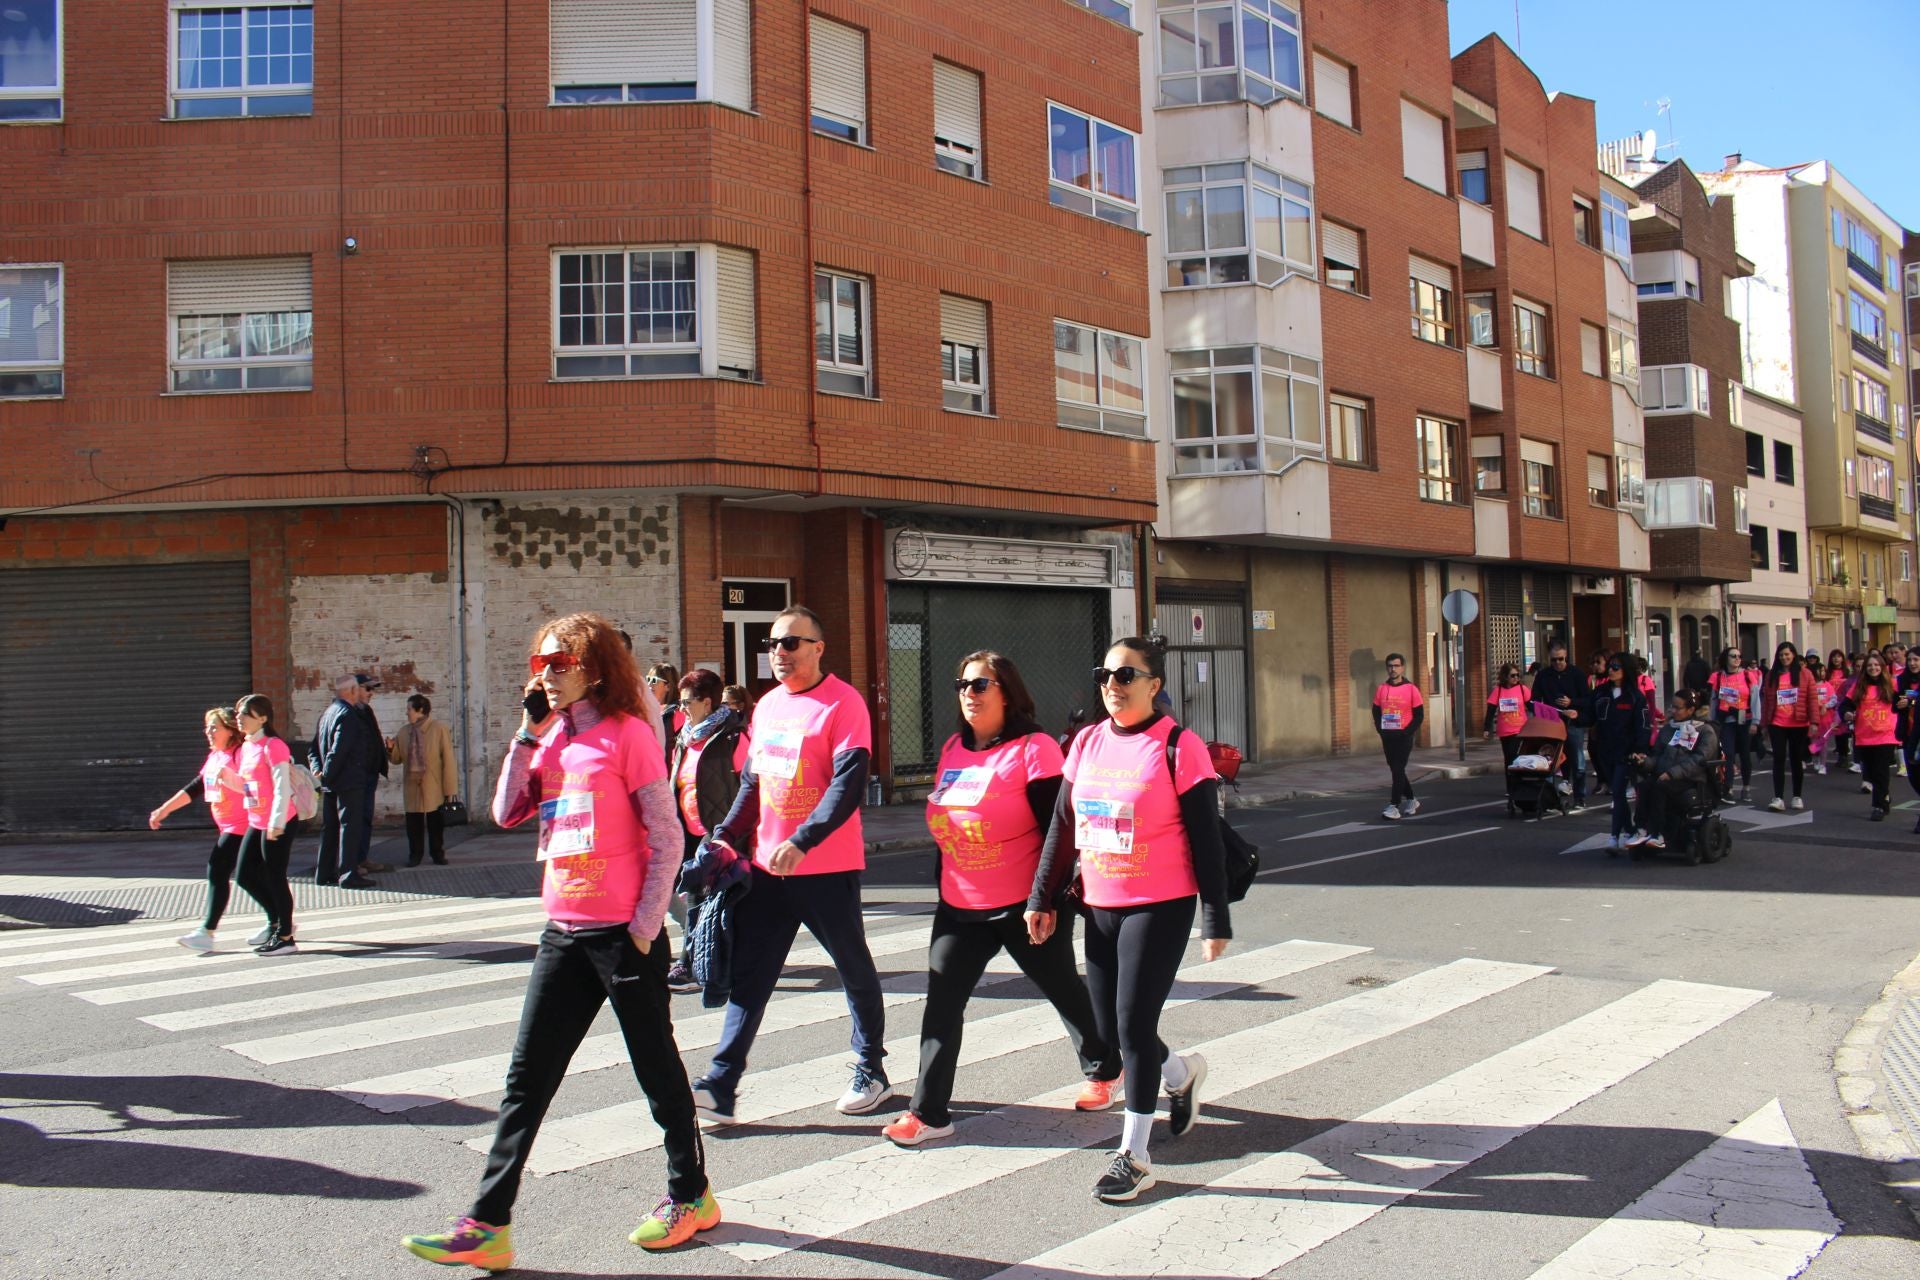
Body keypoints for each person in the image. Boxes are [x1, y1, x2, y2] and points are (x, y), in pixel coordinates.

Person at [403, 612, 714, 1270]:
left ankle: (691, 1196)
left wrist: (644, 927)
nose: (544, 673)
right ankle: (488, 1223)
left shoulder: (628, 734)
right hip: (564, 932)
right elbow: (506, 812)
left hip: (620, 934)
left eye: (558, 662)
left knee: (655, 1069)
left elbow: (667, 837)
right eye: (539, 662)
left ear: (593, 669)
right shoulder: (551, 740)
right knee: (526, 1079)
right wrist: (526, 733)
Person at [883, 651, 1119, 1148]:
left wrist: (1045, 899)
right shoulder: (953, 747)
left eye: (980, 684)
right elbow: (946, 817)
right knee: (942, 1005)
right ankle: (928, 1113)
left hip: (1022, 904)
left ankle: (1105, 1067)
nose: (969, 692)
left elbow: (1061, 830)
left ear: (1006, 692)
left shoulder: (1034, 749)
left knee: (1062, 988)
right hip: (960, 905)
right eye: (962, 684)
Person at [1028, 635, 1230, 1204]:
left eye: (1126, 676)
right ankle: (1180, 1073)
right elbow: (1062, 827)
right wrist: (1039, 897)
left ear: (1154, 686)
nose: (1112, 685)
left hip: (1158, 903)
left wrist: (1214, 916)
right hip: (1099, 902)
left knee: (1135, 1026)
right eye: (1105, 675)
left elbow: (1205, 838)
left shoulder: (1177, 745)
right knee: (1114, 1028)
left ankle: (1135, 1155)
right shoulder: (1087, 741)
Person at [692, 605, 888, 1123]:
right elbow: (754, 784)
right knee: (752, 973)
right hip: (768, 869)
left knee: (853, 968)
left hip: (826, 866)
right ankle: (722, 1082)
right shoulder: (769, 707)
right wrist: (726, 836)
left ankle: (871, 1068)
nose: (778, 652)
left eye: (791, 642)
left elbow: (847, 784)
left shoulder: (843, 704)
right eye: (772, 643)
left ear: (818, 648)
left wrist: (804, 840)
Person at [667, 668, 748, 994]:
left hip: (715, 831)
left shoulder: (733, 738)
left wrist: (732, 832)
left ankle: (689, 963)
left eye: (688, 701)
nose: (682, 707)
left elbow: (750, 785)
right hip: (685, 828)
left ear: (707, 702)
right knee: (691, 894)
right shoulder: (686, 737)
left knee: (701, 898)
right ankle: (716, 957)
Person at [150, 708, 252, 951]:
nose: (208, 731)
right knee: (255, 879)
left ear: (230, 730)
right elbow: (195, 788)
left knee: (218, 871)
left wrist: (230, 778)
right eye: (207, 727)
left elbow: (253, 787)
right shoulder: (216, 756)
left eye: (214, 727)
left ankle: (207, 931)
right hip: (227, 825)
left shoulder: (240, 754)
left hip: (244, 825)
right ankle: (282, 922)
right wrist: (164, 809)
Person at [233, 694, 299, 956]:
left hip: (278, 820)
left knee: (275, 877)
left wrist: (277, 822)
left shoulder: (274, 746)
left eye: (245, 714)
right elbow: (248, 785)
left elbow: (282, 787)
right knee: (244, 875)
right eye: (238, 712)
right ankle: (276, 921)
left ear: (262, 718)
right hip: (258, 819)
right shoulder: (247, 746)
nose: (239, 718)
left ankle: (286, 937)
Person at [1624, 689, 1721, 851]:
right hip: (1664, 776)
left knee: (1659, 787)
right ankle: (1641, 829)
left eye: (1678, 708)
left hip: (1690, 780)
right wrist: (1644, 761)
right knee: (1644, 785)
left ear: (1690, 710)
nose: (1673, 711)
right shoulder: (1669, 729)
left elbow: (1699, 760)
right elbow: (1657, 757)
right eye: (1672, 707)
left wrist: (1672, 773)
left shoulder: (1705, 731)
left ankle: (1659, 833)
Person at [310, 673, 378, 889]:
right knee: (349, 826)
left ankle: (324, 872)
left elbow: (314, 748)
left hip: (331, 781)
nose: (361, 692)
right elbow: (339, 749)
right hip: (348, 779)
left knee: (329, 828)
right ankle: (348, 874)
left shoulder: (328, 712)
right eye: (358, 689)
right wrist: (327, 772)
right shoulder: (347, 714)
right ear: (350, 691)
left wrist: (318, 771)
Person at [386, 694, 459, 867]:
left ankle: (437, 853)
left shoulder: (438, 729)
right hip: (412, 785)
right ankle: (415, 854)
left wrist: (450, 789)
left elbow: (448, 760)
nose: (407, 713)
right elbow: (397, 759)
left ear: (420, 710)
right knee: (413, 824)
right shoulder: (404, 731)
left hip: (433, 785)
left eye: (409, 709)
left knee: (436, 823)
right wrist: (390, 749)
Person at [1590, 654, 1652, 852]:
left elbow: (1643, 725)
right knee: (1617, 796)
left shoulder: (1635, 696)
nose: (1610, 670)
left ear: (1626, 670)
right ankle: (1629, 830)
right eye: (1609, 666)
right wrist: (1575, 712)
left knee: (1617, 791)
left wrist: (1640, 750)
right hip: (1605, 749)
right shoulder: (1601, 692)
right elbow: (1588, 710)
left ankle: (1614, 836)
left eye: (1615, 667)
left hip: (1626, 752)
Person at [1841, 651, 1904, 821]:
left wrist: (1907, 704)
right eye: (1869, 665)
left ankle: (1878, 806)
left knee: (1881, 772)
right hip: (1864, 736)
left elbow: (1907, 701)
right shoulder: (1859, 686)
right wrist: (1847, 713)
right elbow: (1845, 705)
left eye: (1876, 665)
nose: (1873, 668)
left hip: (1886, 735)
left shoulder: (1892, 684)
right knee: (1869, 772)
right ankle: (1884, 796)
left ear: (1882, 667)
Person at [1530, 642, 1589, 812]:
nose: (1558, 663)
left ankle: (1580, 797)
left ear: (1566, 657)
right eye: (1554, 660)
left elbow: (1587, 699)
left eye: (1561, 659)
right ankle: (1551, 799)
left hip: (1573, 724)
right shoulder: (1543, 675)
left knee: (1577, 762)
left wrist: (1572, 703)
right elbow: (1534, 700)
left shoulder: (1576, 674)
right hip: (1552, 723)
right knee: (1551, 761)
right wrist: (1541, 711)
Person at [1761, 641, 1816, 813]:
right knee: (1778, 758)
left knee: (1795, 759)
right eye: (1781, 655)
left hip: (1798, 723)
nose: (1784, 657)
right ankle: (1778, 797)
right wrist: (1764, 724)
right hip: (1777, 722)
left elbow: (1812, 699)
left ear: (1793, 655)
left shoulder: (1805, 674)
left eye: (1787, 654)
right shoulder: (1771, 675)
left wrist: (1814, 722)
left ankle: (1797, 796)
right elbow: (1767, 701)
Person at [1371, 653, 1425, 820]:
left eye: (1396, 666)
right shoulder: (1381, 688)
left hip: (1404, 736)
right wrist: (1381, 729)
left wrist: (1407, 732)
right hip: (1387, 736)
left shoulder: (1411, 689)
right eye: (1390, 666)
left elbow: (1419, 715)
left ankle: (1394, 805)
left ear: (1402, 667)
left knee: (1397, 768)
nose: (1393, 669)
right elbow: (1376, 711)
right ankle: (1411, 799)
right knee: (1396, 769)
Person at [1707, 646, 1759, 803]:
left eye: (1739, 656)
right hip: (1726, 721)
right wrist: (1712, 722)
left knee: (1744, 754)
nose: (1737, 659)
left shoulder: (1749, 676)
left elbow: (1756, 700)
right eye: (1733, 656)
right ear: (1726, 658)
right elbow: (1714, 701)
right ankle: (1728, 787)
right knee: (1728, 754)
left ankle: (1746, 787)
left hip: (1745, 719)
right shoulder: (1717, 677)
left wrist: (1756, 722)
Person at [354, 673, 394, 875]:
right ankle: (352, 862)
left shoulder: (366, 711)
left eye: (373, 689)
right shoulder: (349, 712)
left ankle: (361, 858)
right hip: (356, 777)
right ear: (355, 689)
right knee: (354, 820)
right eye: (368, 689)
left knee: (365, 818)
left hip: (369, 775)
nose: (372, 693)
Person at [1483, 662, 1530, 767]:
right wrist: (1487, 728)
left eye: (1517, 675)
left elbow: (1532, 706)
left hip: (1520, 730)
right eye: (1512, 675)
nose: (1516, 678)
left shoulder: (1523, 689)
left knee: (1516, 758)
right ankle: (1511, 782)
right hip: (1505, 731)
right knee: (1508, 759)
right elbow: (1491, 710)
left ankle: (1517, 782)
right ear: (1505, 676)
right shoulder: (1498, 691)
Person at [647, 663, 687, 763]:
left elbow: (681, 747)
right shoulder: (649, 710)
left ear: (668, 686)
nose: (649, 684)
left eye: (654, 680)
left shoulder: (678, 713)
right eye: (648, 679)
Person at [1899, 650, 1920, 830]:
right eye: (1910, 660)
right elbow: (1895, 703)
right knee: (1913, 777)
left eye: (1916, 660)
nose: (1912, 663)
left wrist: (1912, 703)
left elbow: (1914, 702)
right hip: (1908, 734)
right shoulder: (1902, 680)